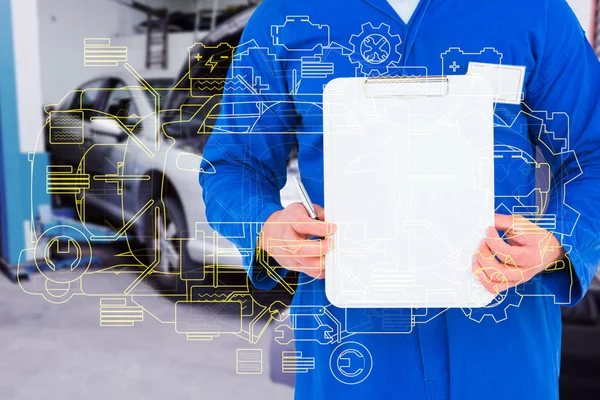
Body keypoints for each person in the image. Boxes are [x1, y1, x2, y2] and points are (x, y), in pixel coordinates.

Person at [199, 0, 600, 398]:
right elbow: (234, 166)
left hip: (503, 347)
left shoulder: (534, 10)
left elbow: (593, 154)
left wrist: (558, 240)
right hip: (352, 351)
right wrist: (266, 228)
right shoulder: (285, 17)